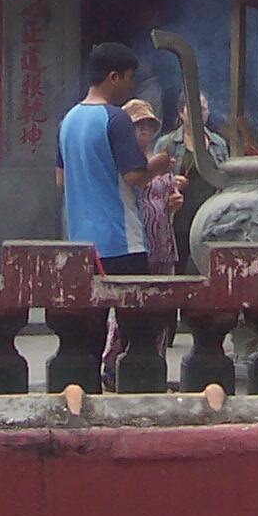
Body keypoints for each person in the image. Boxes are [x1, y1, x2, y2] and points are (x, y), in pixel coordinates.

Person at [57, 43, 173, 273]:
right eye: (130, 78)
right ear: (113, 77)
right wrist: (158, 166)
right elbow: (134, 176)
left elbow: (61, 181)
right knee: (133, 307)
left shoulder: (67, 121)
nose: (132, 85)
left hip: (79, 241)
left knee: (89, 308)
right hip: (121, 241)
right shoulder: (116, 118)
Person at [100, 100, 186, 387]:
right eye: (139, 125)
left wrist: (174, 202)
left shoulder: (162, 159)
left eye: (149, 125)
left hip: (163, 239)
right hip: (137, 241)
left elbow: (167, 199)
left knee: (161, 308)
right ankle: (114, 363)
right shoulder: (126, 161)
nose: (145, 130)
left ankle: (155, 363)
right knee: (128, 308)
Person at [153, 91, 230, 273]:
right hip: (178, 219)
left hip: (211, 219)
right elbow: (152, 182)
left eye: (202, 109)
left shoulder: (218, 144)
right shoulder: (167, 144)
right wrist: (170, 183)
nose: (199, 114)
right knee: (178, 272)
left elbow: (226, 178)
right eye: (193, 109)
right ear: (181, 113)